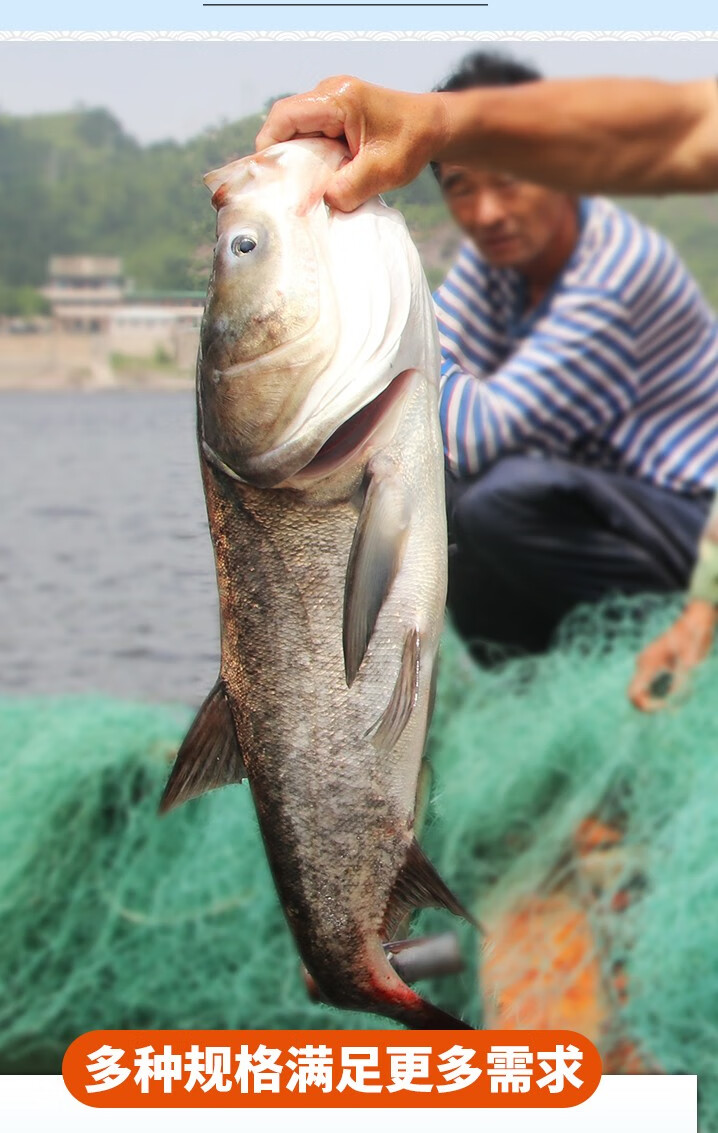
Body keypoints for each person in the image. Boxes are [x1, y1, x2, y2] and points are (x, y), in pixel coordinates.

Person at [257, 60, 718, 696]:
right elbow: (419, 373)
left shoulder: (617, 271)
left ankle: (628, 675)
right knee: (420, 498)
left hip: (690, 520)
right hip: (600, 513)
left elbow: (477, 432)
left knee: (500, 499)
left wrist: (392, 351)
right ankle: (517, 693)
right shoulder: (498, 267)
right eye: (464, 186)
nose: (489, 211)